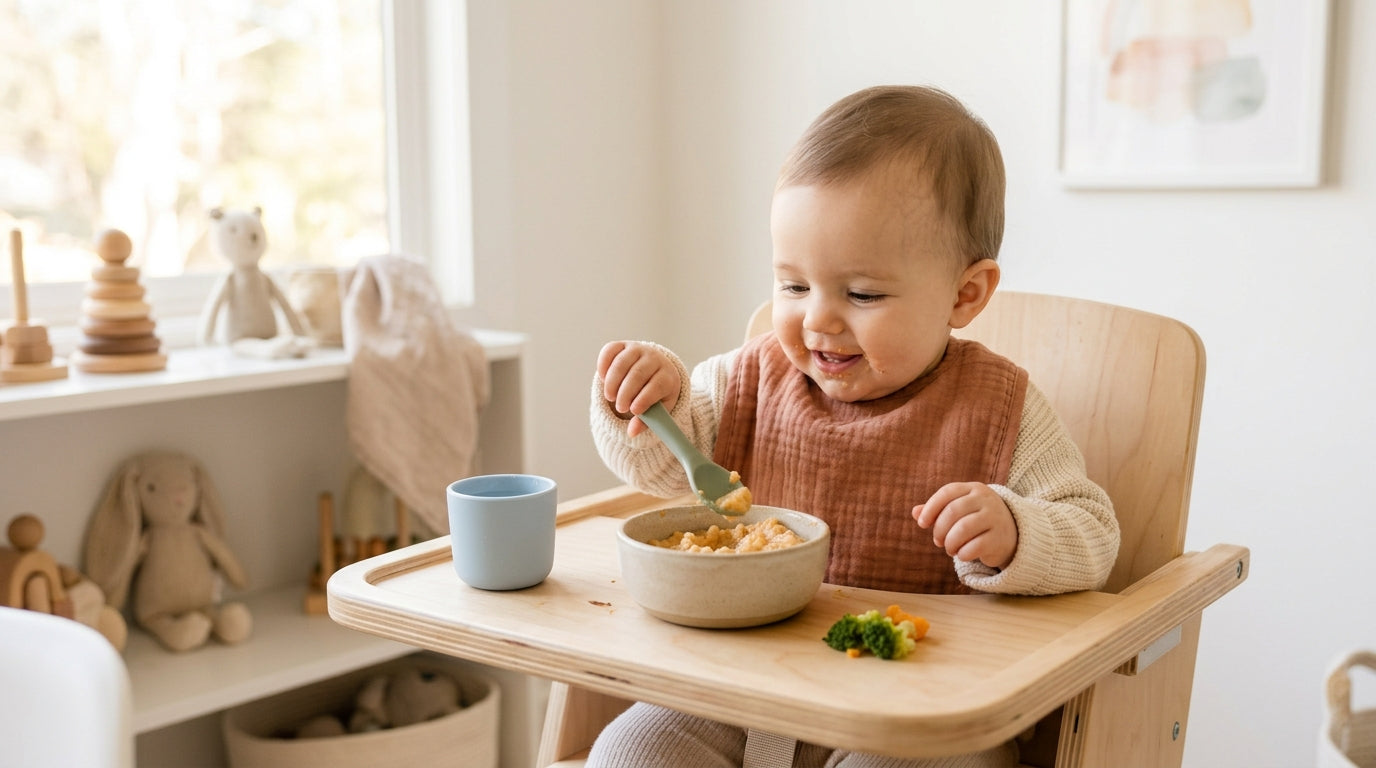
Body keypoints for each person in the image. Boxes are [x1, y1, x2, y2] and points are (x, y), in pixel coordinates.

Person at [587, 84, 1120, 768]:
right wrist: (643, 399)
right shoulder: (748, 380)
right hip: (738, 689)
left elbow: (1093, 534)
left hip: (912, 713)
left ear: (965, 294)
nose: (818, 320)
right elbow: (665, 468)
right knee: (630, 751)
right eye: (793, 286)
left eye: (861, 294)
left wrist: (1018, 533)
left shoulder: (999, 406)